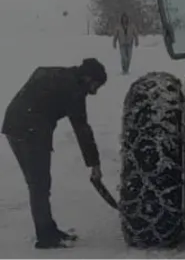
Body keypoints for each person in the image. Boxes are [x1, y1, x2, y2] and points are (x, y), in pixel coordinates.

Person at [1, 58, 107, 249]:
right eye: (95, 86)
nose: (95, 91)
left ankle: (48, 229)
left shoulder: (59, 74)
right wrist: (95, 164)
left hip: (14, 124)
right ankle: (45, 236)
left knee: (39, 183)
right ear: (87, 78)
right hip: (29, 131)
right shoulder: (74, 90)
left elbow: (38, 74)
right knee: (39, 184)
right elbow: (82, 129)